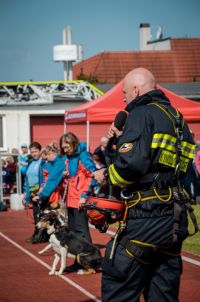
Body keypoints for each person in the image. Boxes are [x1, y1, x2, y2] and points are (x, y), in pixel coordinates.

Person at [93, 67, 196, 302]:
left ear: (137, 89)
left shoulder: (140, 114)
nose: (124, 98)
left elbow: (131, 166)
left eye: (125, 92)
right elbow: (181, 168)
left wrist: (108, 175)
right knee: (163, 294)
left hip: (145, 218)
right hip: (174, 221)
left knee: (119, 285)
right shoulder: (178, 118)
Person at [59, 132, 97, 273]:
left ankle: (91, 260)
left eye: (67, 146)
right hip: (71, 199)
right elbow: (74, 178)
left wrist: (84, 196)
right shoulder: (68, 158)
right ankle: (78, 261)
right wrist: (66, 176)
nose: (64, 150)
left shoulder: (83, 155)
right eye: (63, 147)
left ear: (73, 144)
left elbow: (92, 176)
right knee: (74, 233)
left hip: (80, 200)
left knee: (83, 233)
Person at [25, 141, 44, 244]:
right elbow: (27, 179)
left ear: (40, 151)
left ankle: (39, 235)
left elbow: (44, 178)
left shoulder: (43, 162)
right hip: (32, 192)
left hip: (40, 192)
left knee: (39, 215)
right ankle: (38, 234)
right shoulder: (30, 162)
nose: (34, 154)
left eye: (35, 151)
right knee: (36, 213)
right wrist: (26, 192)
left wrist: (41, 190)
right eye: (32, 152)